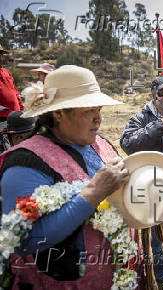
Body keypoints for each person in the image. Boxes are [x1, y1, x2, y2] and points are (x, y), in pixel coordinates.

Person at [0, 65, 152, 289]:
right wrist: (93, 193)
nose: (98, 120)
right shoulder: (25, 163)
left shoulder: (102, 145)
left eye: (99, 110)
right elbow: (22, 240)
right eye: (89, 111)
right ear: (59, 113)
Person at [120, 75, 163, 289]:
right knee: (154, 236)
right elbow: (127, 143)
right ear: (152, 95)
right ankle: (159, 279)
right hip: (148, 184)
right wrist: (159, 126)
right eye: (162, 93)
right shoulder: (140, 117)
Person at [0, 45, 25, 121]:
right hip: (2, 117)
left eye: (0, 54)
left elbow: (15, 92)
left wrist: (22, 109)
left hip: (16, 114)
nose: (0, 57)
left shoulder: (6, 72)